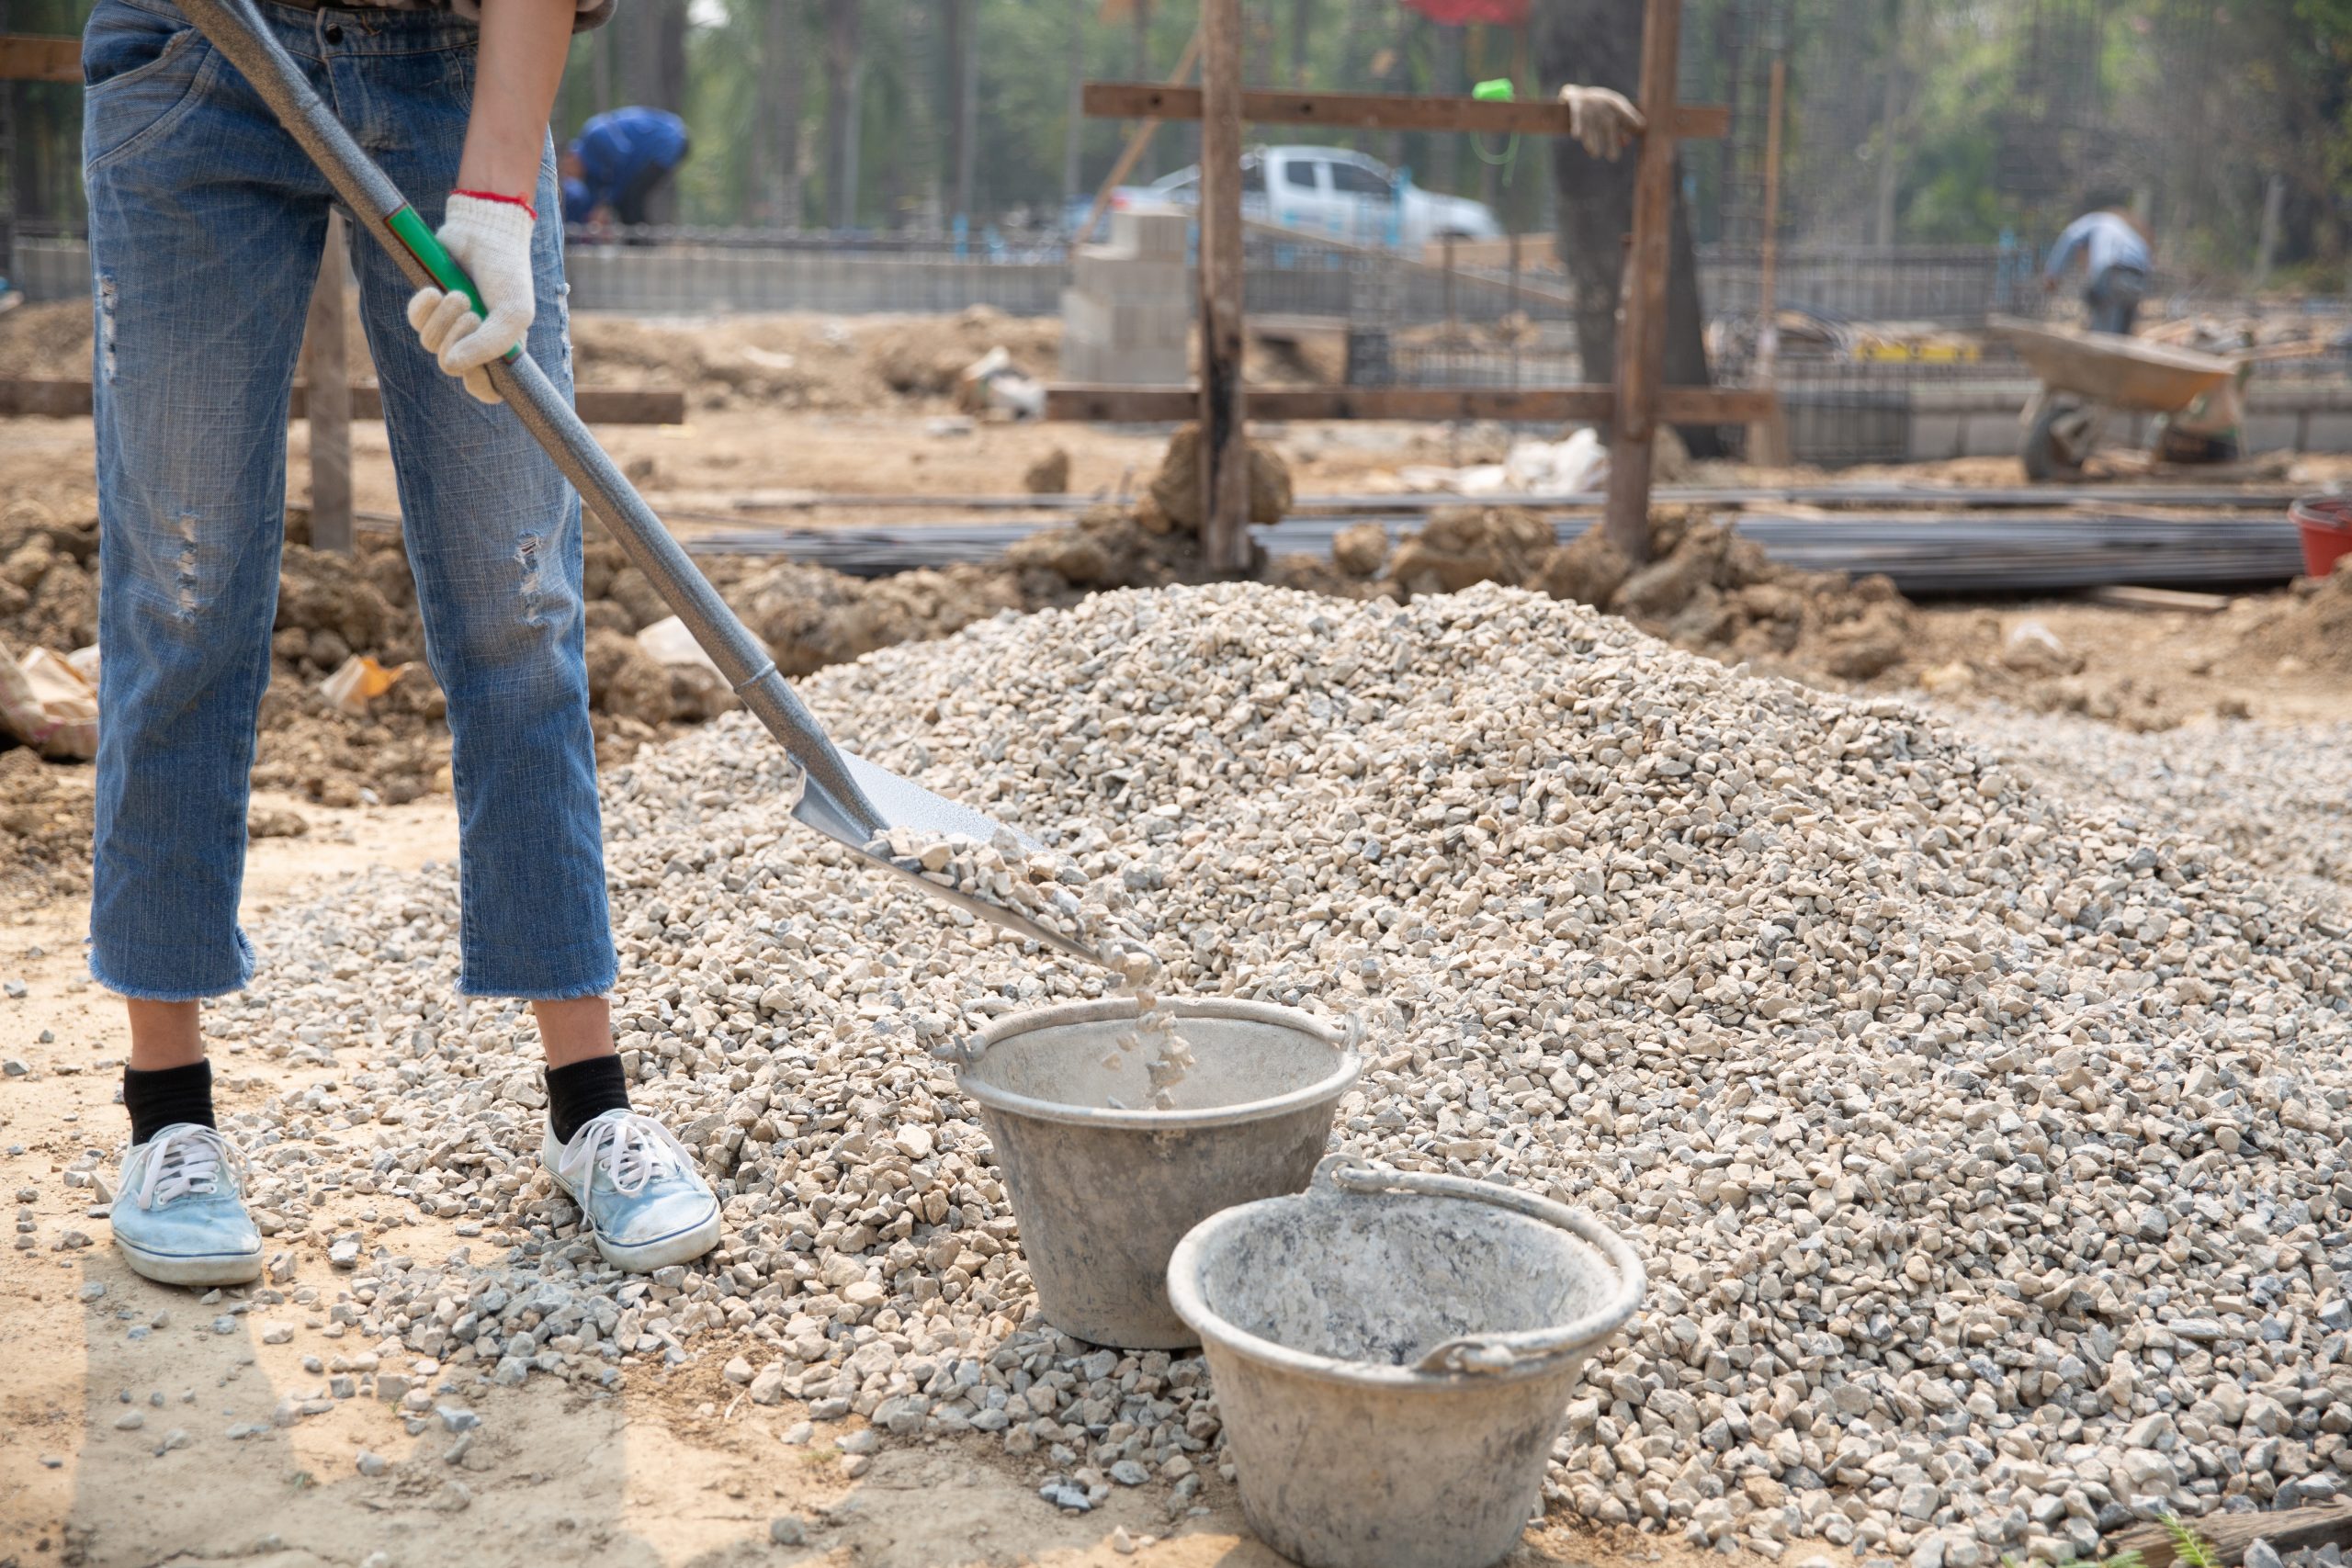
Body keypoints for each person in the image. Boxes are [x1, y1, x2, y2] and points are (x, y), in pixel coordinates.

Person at [82, 0, 720, 1286]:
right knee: (187, 588)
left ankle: (590, 1103)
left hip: (451, 63)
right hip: (191, 51)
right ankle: (169, 1114)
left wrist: (496, 201)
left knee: (519, 596)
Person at [559, 106, 690, 230]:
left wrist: (607, 204)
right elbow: (593, 203)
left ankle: (645, 248)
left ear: (571, 157)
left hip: (669, 140)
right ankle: (637, 245)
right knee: (624, 201)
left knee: (630, 198)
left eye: (566, 169)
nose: (569, 176)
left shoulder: (594, 137)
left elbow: (623, 159)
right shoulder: (590, 177)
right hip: (646, 157)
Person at [2043, 206, 2154, 335]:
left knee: (2101, 332)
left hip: (2114, 271)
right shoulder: (2123, 229)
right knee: (2121, 333)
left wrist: (2052, 273)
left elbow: (2070, 236)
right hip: (2140, 277)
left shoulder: (2095, 221)